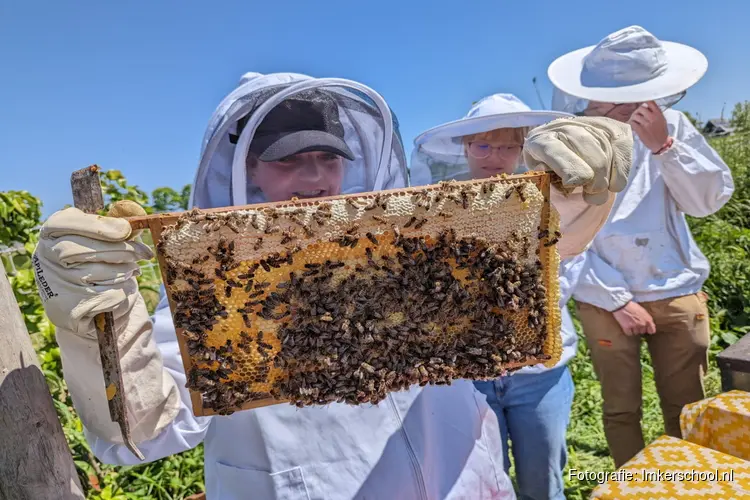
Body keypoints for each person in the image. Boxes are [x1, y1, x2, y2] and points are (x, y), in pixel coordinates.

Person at [34, 71, 630, 500]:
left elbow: (530, 277)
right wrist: (94, 323)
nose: (315, 179)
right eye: (287, 159)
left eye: (328, 156)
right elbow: (142, 433)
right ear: (245, 168)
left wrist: (576, 197)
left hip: (463, 479)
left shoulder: (413, 249)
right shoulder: (217, 289)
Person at [411, 93, 632, 499]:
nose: (495, 155)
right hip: (468, 371)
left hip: (540, 373)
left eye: (509, 145)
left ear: (524, 146)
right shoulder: (439, 207)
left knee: (543, 477)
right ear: (465, 147)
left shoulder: (554, 198)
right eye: (483, 144)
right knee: (481, 478)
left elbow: (566, 268)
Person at [547, 25, 735, 468]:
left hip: (675, 293)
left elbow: (706, 202)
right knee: (621, 409)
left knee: (688, 411)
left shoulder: (674, 128)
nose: (595, 107)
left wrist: (664, 147)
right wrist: (616, 299)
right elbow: (564, 233)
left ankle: (691, 491)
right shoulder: (569, 142)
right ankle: (632, 490)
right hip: (604, 302)